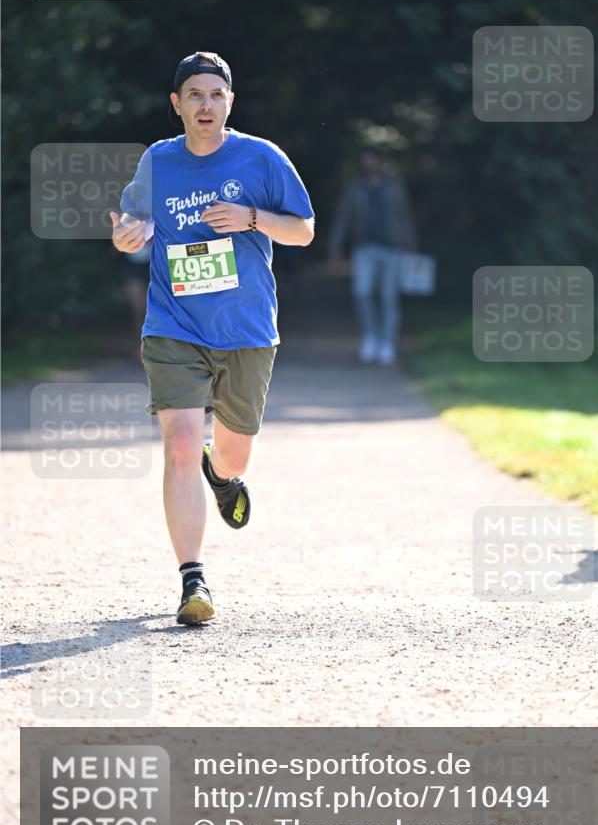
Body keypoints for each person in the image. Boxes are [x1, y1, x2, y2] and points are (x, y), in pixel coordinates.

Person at [110, 51, 315, 626]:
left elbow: (303, 230)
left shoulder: (262, 158)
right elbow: (133, 227)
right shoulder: (158, 161)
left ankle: (221, 476)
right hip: (174, 325)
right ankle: (192, 580)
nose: (206, 104)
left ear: (230, 102)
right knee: (178, 444)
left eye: (215, 95)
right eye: (194, 95)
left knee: (233, 452)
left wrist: (251, 217)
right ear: (177, 105)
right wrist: (128, 237)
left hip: (246, 329)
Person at [328, 149, 417, 365]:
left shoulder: (394, 185)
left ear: (380, 161)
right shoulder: (355, 187)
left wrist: (411, 244)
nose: (368, 164)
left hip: (392, 248)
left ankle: (387, 343)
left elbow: (404, 215)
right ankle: (370, 337)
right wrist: (336, 245)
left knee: (389, 297)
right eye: (364, 160)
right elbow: (345, 217)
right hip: (365, 247)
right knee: (362, 293)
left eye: (371, 159)